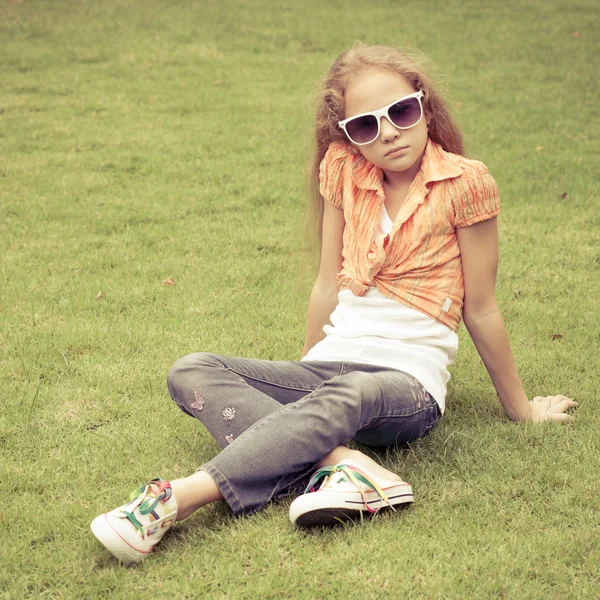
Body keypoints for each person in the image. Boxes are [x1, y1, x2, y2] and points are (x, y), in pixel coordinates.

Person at [90, 44, 577, 565]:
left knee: (352, 390)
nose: (388, 132)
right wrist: (303, 381)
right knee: (192, 370)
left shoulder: (464, 182)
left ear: (424, 105)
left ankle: (177, 498)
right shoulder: (343, 172)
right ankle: (349, 466)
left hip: (404, 384)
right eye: (366, 126)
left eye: (402, 112)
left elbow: (481, 307)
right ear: (347, 135)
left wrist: (521, 409)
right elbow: (327, 285)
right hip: (333, 364)